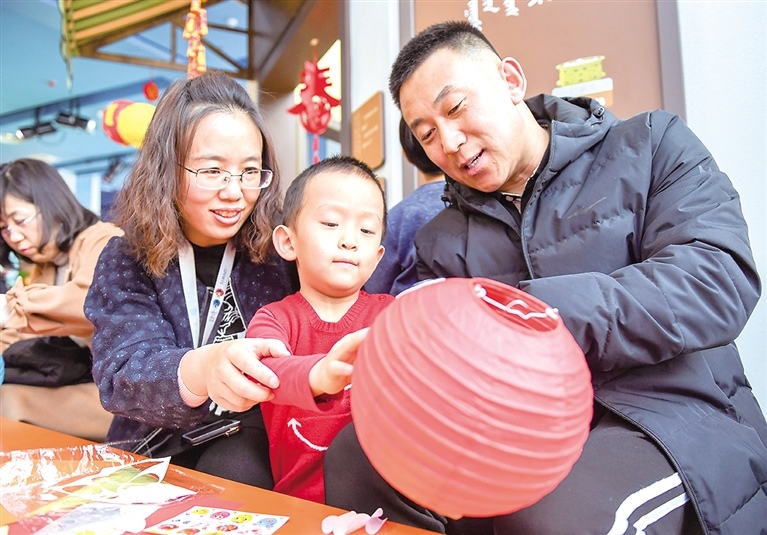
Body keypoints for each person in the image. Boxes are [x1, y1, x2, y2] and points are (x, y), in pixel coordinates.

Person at [322, 21, 767, 535]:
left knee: (553, 515)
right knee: (357, 455)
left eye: (456, 108)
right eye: (427, 135)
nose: (449, 142)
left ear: (511, 81)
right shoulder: (441, 239)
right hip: (520, 425)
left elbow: (716, 282)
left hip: (667, 413)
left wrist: (530, 315)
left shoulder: (651, 144)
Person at [84, 70, 298, 487]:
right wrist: (203, 369)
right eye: (212, 170)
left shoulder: (279, 250)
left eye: (250, 171)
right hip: (154, 449)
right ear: (166, 169)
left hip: (256, 444)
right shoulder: (127, 257)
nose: (235, 192)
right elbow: (122, 374)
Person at [246, 155, 393, 503]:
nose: (350, 240)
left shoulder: (391, 316)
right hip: (299, 507)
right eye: (330, 223)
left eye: (366, 230)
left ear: (377, 256)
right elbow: (264, 369)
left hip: (381, 506)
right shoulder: (273, 319)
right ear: (288, 242)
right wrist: (320, 375)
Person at [0, 158, 122, 441]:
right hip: (77, 378)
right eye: (4, 228)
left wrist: (10, 308)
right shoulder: (45, 267)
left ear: (50, 204)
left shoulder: (104, 240)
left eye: (20, 221)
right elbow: (18, 334)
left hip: (118, 392)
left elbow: (87, 303)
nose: (13, 236)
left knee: (9, 402)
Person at [364, 118, 446, 295]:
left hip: (408, 310)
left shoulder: (398, 217)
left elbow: (375, 287)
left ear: (406, 154)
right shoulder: (483, 202)